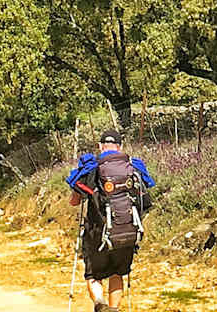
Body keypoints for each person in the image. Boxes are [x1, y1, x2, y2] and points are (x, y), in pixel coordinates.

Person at [66, 129, 155, 312]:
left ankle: (100, 304)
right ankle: (113, 309)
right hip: (127, 232)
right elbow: (145, 199)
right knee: (117, 273)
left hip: (97, 234)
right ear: (120, 146)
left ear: (100, 146)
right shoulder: (133, 166)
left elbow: (74, 201)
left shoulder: (92, 167)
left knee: (93, 275)